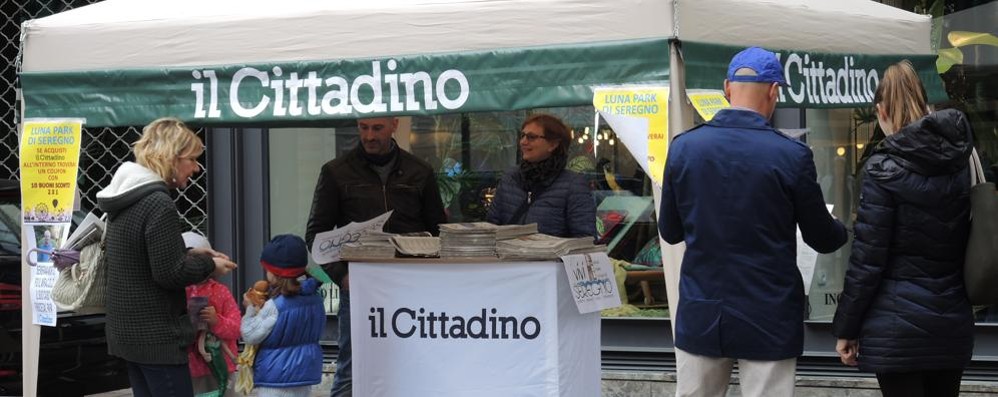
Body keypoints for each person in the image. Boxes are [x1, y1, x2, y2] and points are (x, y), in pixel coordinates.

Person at [657, 47, 848, 397]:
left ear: (727, 87)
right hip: (769, 313)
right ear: (774, 91)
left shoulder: (684, 148)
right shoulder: (792, 155)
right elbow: (823, 237)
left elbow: (670, 232)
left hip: (703, 310)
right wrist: (845, 226)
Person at [832, 60, 974, 397]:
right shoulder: (960, 162)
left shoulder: (883, 169)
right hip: (951, 321)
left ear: (881, 111)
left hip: (896, 328)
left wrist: (846, 329)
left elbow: (867, 261)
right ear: (925, 104)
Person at [305, 117, 447, 397]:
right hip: (359, 284)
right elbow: (316, 236)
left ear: (394, 125)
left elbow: (437, 231)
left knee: (417, 360)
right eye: (363, 127)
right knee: (352, 368)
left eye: (377, 128)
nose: (369, 135)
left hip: (412, 284)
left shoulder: (420, 171)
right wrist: (342, 277)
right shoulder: (336, 171)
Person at [96, 117, 237, 397]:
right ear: (172, 157)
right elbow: (170, 273)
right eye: (193, 159)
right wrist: (210, 264)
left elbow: (140, 256)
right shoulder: (157, 202)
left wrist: (190, 252)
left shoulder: (125, 196)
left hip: (128, 333)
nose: (197, 168)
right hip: (156, 337)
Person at [241, 234, 325, 397]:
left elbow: (250, 335)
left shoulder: (275, 306)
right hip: (305, 373)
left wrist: (250, 310)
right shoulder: (316, 299)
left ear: (274, 273)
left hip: (276, 375)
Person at [487, 113, 596, 238]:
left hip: (551, 257)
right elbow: (492, 227)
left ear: (553, 145)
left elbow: (585, 240)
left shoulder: (573, 185)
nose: (523, 142)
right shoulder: (510, 178)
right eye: (522, 136)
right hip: (509, 256)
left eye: (531, 137)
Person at [183, 232, 240, 397]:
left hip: (221, 365)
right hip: (191, 368)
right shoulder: (177, 292)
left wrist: (217, 321)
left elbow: (237, 328)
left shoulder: (220, 291)